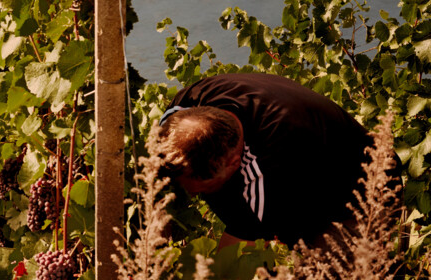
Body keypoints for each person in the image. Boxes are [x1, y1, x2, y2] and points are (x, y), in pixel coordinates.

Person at [157, 72, 377, 254]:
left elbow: (231, 264)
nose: (194, 196)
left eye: (205, 188)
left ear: (234, 162)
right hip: (300, 161)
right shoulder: (181, 115)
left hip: (359, 189)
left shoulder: (271, 162)